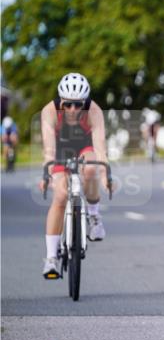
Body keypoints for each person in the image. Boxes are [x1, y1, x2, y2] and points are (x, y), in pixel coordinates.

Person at [38, 73, 110, 279]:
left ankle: (95, 217)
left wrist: (105, 175)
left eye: (78, 105)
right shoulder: (49, 112)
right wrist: (47, 175)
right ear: (61, 101)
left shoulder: (94, 111)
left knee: (90, 168)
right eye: (67, 104)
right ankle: (51, 258)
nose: (72, 110)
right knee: (60, 197)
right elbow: (49, 150)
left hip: (84, 145)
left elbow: (100, 148)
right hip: (60, 149)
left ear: (85, 103)